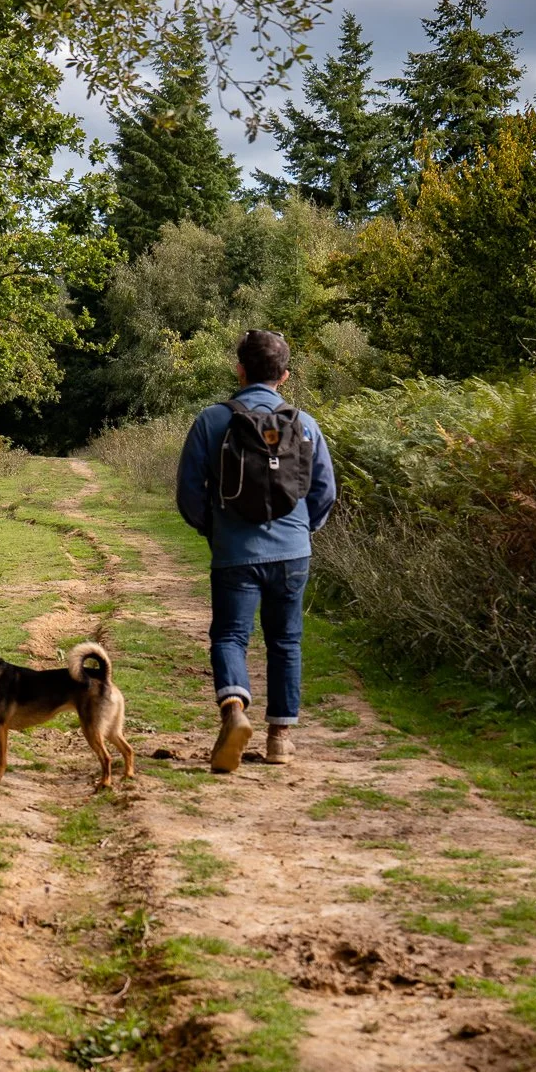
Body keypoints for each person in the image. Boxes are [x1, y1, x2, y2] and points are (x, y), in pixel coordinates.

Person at [174, 329, 337, 770]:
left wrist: (214, 530)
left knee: (229, 635)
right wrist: (304, 530)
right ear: (284, 375)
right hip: (292, 553)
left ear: (240, 369)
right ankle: (279, 739)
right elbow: (324, 491)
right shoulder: (305, 424)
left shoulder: (212, 420)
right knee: (286, 641)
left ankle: (234, 712)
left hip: (235, 552)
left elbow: (189, 491)